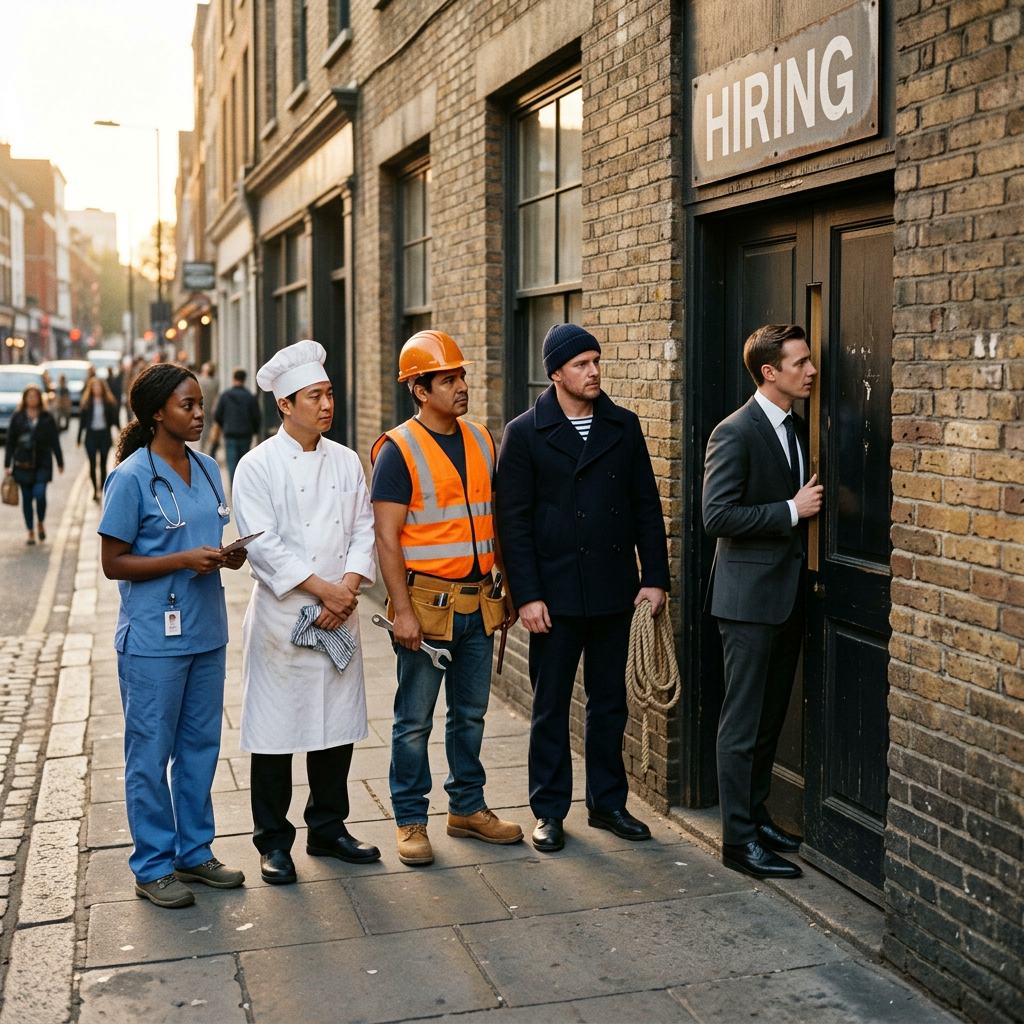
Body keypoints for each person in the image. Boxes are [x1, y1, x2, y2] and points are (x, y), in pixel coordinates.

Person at [494, 324, 670, 853]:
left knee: (609, 701)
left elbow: (645, 505)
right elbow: (513, 521)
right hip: (554, 595)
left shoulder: (623, 424)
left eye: (596, 361)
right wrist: (526, 595)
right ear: (556, 373)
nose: (593, 371)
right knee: (549, 705)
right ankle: (548, 811)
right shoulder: (525, 432)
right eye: (581, 364)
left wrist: (655, 577)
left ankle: (608, 803)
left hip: (615, 589)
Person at [98, 363, 249, 909]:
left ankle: (194, 851)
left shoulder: (208, 468)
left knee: (199, 748)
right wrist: (182, 559)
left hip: (206, 630)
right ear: (157, 412)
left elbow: (208, 534)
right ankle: (153, 865)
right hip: (153, 641)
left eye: (201, 404)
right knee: (150, 753)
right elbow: (114, 562)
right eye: (187, 405)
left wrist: (228, 557)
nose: (199, 414)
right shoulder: (132, 477)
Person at [231, 340, 381, 885]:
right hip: (282, 619)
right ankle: (273, 840)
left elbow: (363, 528)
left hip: (338, 612)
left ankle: (328, 827)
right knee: (275, 733)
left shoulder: (344, 460)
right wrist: (325, 590)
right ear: (284, 404)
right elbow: (263, 545)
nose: (326, 404)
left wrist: (348, 587)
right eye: (314, 395)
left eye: (329, 394)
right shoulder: (256, 466)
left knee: (334, 727)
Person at [371, 330, 522, 867]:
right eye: (448, 379)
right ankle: (411, 819)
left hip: (479, 602)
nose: (461, 386)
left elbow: (493, 522)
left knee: (471, 715)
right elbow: (386, 539)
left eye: (461, 376)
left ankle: (467, 808)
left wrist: (505, 587)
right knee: (414, 720)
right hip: (427, 607)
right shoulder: (398, 450)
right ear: (419, 389)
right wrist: (403, 611)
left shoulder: (482, 438)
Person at [702, 323, 823, 881]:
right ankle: (738, 842)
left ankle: (758, 817)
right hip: (747, 602)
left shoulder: (797, 427)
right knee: (742, 723)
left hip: (786, 597)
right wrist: (791, 511)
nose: (811, 370)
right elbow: (717, 516)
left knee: (770, 718)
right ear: (769, 372)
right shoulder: (735, 432)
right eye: (800, 362)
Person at [4, 385, 63, 545]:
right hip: (22, 464)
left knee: (40, 493)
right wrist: (7, 464)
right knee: (27, 499)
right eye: (29, 396)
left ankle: (41, 522)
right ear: (24, 399)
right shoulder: (18, 417)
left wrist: (60, 461)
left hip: (43, 463)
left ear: (39, 398)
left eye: (35, 396)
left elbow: (54, 441)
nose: (32, 399)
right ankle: (30, 531)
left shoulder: (46, 417)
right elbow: (10, 442)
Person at [211, 368, 261, 483]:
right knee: (244, 465)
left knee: (232, 465)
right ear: (244, 379)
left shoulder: (225, 395)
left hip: (230, 435)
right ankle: (244, 488)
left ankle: (234, 490)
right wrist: (253, 431)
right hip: (245, 436)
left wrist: (225, 426)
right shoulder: (250, 397)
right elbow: (256, 417)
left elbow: (218, 415)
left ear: (233, 378)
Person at [77, 375, 120, 501]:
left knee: (103, 463)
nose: (96, 389)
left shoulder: (108, 402)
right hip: (91, 435)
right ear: (91, 388)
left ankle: (102, 488)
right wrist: (79, 438)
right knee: (91, 463)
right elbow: (82, 422)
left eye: (99, 386)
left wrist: (120, 431)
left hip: (104, 435)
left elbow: (114, 418)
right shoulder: (87, 403)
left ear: (102, 388)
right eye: (94, 386)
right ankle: (94, 490)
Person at [196, 363, 220, 455]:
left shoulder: (202, 381)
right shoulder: (216, 382)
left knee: (203, 431)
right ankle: (210, 451)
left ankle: (202, 450)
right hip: (212, 409)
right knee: (211, 430)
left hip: (203, 408)